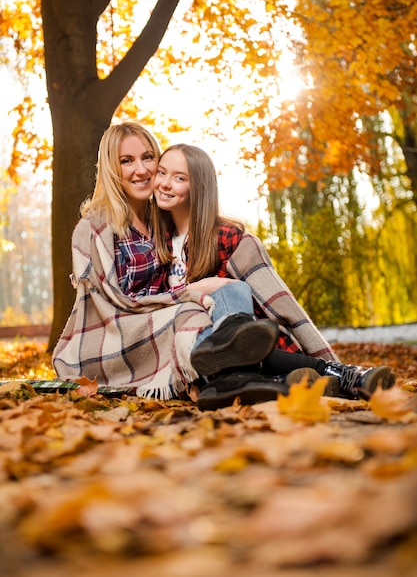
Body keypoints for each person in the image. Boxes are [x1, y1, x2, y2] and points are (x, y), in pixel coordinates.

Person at [52, 120, 288, 404]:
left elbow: (193, 219)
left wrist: (210, 284)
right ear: (112, 169)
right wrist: (192, 292)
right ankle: (262, 375)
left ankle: (237, 379)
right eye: (127, 161)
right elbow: (112, 304)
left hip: (167, 321)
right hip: (120, 333)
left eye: (148, 157)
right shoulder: (94, 228)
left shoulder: (160, 220)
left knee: (232, 291)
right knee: (191, 315)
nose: (141, 170)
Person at [153, 142, 396, 410]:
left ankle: (344, 375)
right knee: (209, 350)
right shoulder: (155, 244)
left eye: (179, 178)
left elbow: (279, 301)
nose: (165, 183)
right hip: (197, 353)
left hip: (254, 344)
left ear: (198, 186)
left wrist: (327, 357)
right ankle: (293, 382)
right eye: (161, 172)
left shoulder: (226, 237)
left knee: (235, 345)